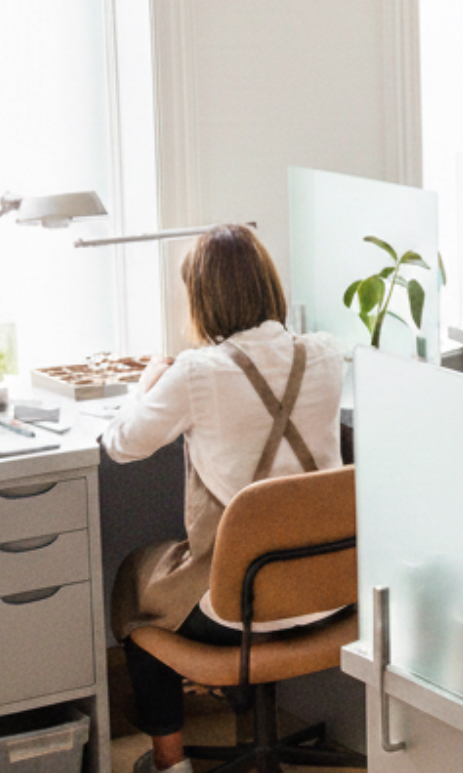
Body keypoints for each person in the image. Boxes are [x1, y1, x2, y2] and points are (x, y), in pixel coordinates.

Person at [104, 225, 348, 773]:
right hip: (330, 593)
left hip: (239, 612)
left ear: (202, 297)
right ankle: (241, 708)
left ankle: (171, 763)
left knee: (135, 589)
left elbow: (121, 445)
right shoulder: (326, 354)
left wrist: (146, 385)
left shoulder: (197, 373)